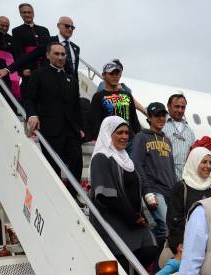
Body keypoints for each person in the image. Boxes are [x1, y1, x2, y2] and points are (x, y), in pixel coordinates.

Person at [89, 116, 157, 274]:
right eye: (119, 132)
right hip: (113, 220)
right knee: (124, 256)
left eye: (126, 132)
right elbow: (105, 196)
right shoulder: (101, 157)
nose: (125, 136)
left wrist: (137, 216)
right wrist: (132, 216)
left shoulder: (126, 159)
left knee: (150, 247)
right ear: (108, 134)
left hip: (132, 219)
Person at [22, 42, 84, 199]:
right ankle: (55, 197)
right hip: (50, 129)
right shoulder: (39, 75)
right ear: (48, 55)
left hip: (71, 130)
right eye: (56, 54)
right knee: (52, 166)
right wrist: (32, 115)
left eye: (63, 54)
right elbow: (29, 99)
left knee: (76, 162)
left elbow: (76, 106)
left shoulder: (71, 79)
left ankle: (72, 196)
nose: (60, 57)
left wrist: (80, 127)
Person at [131, 102, 176, 246]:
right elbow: (137, 164)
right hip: (154, 190)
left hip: (169, 190)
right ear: (149, 118)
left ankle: (159, 258)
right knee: (163, 225)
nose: (161, 118)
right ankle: (150, 248)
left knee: (172, 229)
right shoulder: (141, 137)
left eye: (163, 115)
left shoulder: (167, 140)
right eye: (157, 115)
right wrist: (147, 191)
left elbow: (171, 168)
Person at [0, 16, 80, 79]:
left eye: (72, 27)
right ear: (58, 25)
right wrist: (8, 69)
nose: (70, 29)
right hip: (51, 84)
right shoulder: (48, 41)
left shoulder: (76, 48)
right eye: (67, 26)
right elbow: (30, 56)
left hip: (70, 87)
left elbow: (74, 71)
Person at [166, 147, 211, 239]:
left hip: (210, 243)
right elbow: (173, 221)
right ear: (194, 162)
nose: (208, 166)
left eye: (210, 162)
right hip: (185, 241)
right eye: (204, 162)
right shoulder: (181, 187)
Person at [89, 61, 142, 146]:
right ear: (104, 75)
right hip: (109, 142)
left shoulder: (127, 95)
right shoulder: (98, 96)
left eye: (117, 73)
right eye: (111, 73)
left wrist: (140, 137)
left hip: (129, 141)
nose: (115, 76)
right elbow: (94, 121)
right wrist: (96, 138)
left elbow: (134, 119)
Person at [10, 3, 50, 97]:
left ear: (33, 13)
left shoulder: (44, 30)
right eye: (24, 12)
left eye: (29, 12)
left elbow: (49, 48)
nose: (27, 14)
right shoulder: (16, 31)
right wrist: (23, 69)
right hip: (29, 67)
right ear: (20, 14)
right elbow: (18, 52)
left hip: (44, 65)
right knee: (30, 92)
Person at [163, 94, 197, 180]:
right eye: (177, 106)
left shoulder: (190, 132)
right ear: (168, 106)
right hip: (165, 179)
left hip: (184, 181)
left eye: (183, 107)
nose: (180, 110)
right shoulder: (162, 126)